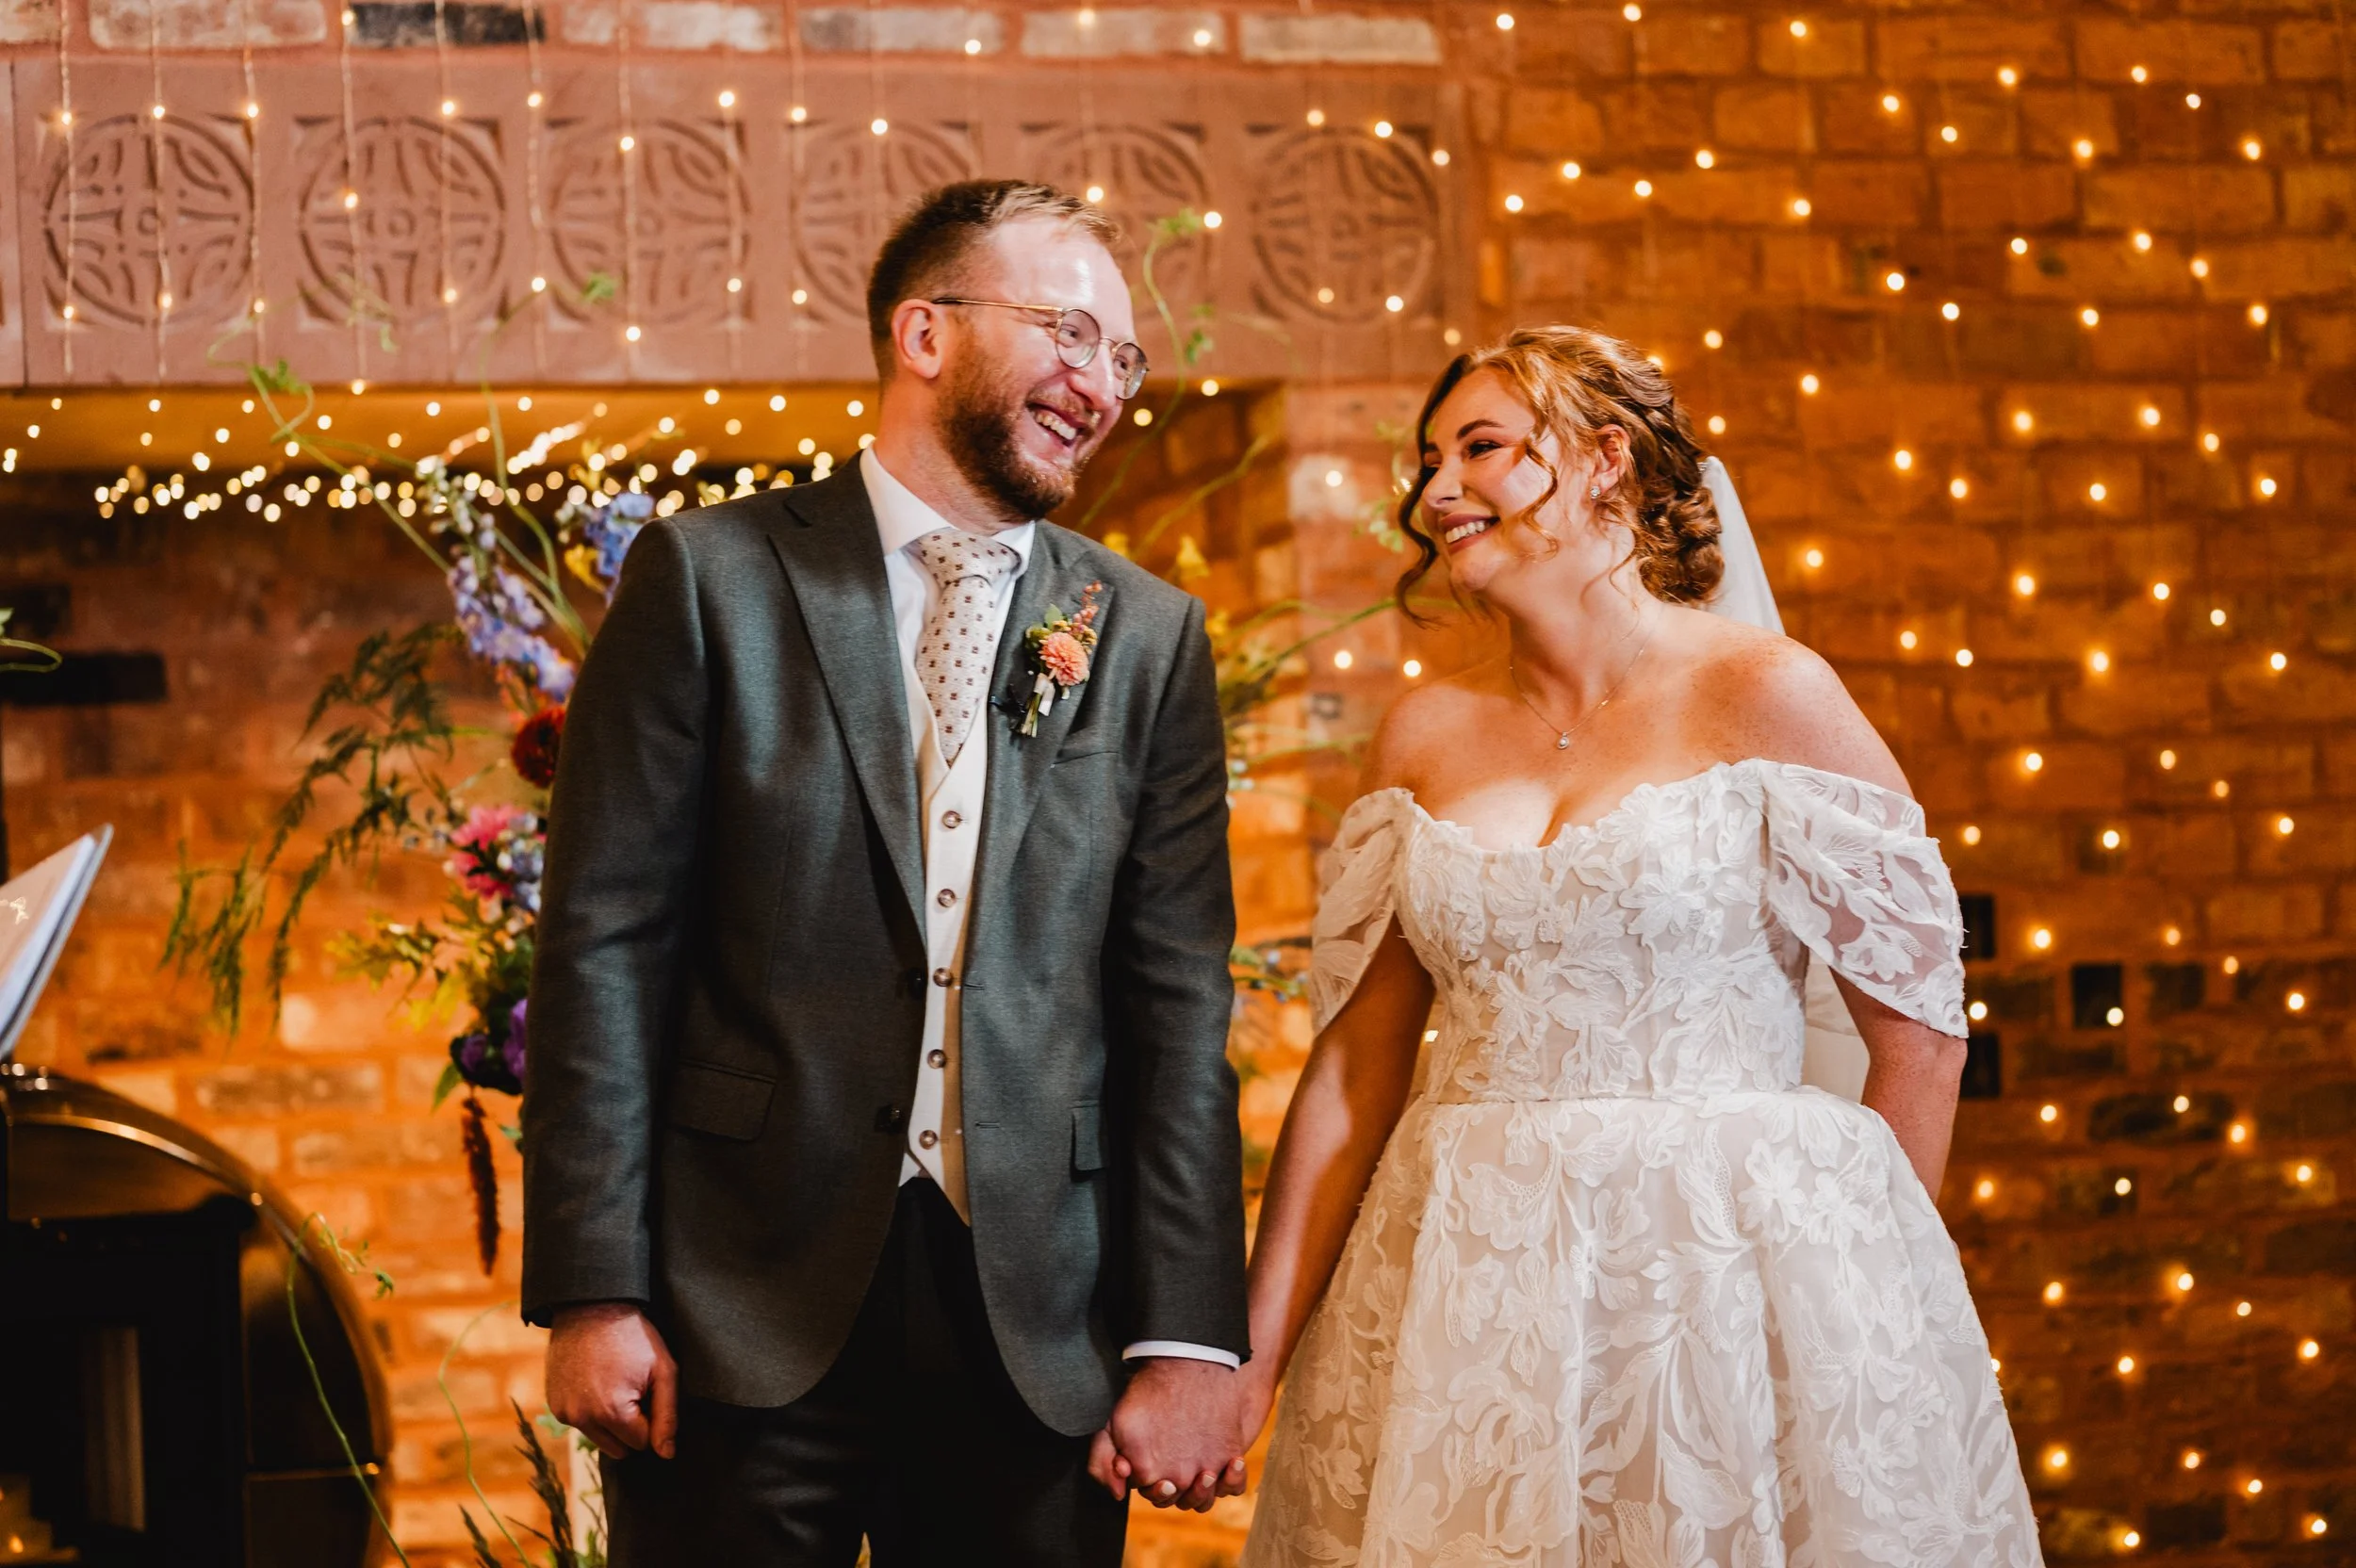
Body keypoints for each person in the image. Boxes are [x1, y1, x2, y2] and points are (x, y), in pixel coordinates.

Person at [520, 180, 1251, 1566]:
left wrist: (1186, 1335)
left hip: (1043, 1314)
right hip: (736, 1304)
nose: (1103, 385)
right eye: (1069, 335)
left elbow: (1176, 1007)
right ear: (927, 333)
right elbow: (606, 950)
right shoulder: (707, 578)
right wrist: (592, 1289)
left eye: (1124, 358)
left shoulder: (1144, 636)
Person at [1233, 327, 2043, 1565]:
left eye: (1483, 449)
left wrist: (1861, 1314)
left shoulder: (1769, 694)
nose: (1435, 492)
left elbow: (1922, 1033)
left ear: (1606, 461)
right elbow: (1354, 1067)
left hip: (1720, 1280)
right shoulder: (1422, 733)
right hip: (1465, 1284)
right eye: (1428, 461)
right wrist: (1250, 1363)